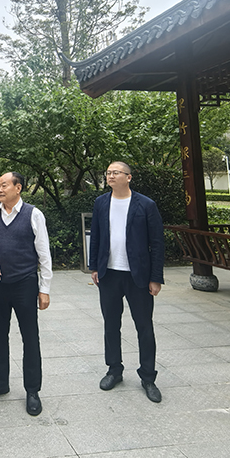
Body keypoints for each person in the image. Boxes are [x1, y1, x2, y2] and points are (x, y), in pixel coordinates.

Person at [88, 161, 165, 404]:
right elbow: (96, 235)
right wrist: (94, 267)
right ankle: (114, 370)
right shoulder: (101, 202)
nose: (110, 176)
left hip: (138, 275)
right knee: (111, 324)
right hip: (109, 273)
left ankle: (148, 377)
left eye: (115, 172)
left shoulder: (146, 204)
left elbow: (157, 242)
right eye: (108, 172)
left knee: (144, 326)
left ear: (128, 177)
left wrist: (155, 278)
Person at [0, 172, 52, 416]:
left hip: (24, 284)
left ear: (18, 188)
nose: (0, 189)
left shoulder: (33, 214)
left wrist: (44, 289)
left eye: (4, 185)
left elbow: (44, 254)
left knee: (30, 337)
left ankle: (32, 390)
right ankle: (0, 382)